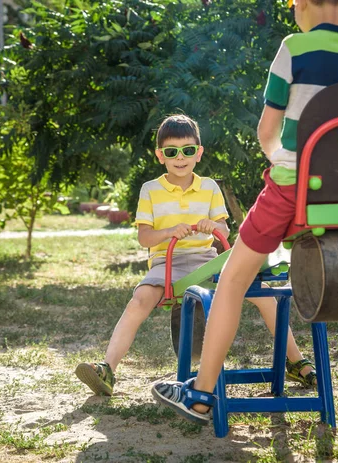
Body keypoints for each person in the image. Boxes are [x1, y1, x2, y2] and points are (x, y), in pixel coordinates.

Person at [151, 0, 338, 425]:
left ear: (299, 3)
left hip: (291, 193)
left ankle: (201, 394)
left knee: (233, 278)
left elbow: (268, 132)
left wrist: (286, 161)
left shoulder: (294, 49)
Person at [75, 114, 317, 396]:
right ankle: (107, 369)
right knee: (139, 300)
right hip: (167, 263)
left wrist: (213, 226)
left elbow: (224, 230)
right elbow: (144, 238)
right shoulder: (150, 190)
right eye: (172, 152)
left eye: (188, 150)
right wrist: (169, 232)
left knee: (264, 296)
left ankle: (295, 361)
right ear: (160, 156)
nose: (180, 157)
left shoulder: (209, 188)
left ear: (198, 153)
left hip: (206, 261)